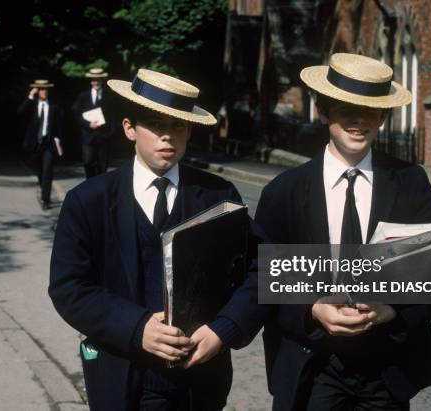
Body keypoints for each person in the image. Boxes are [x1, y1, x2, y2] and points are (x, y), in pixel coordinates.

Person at [49, 68, 266, 410]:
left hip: (200, 382)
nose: (167, 137)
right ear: (129, 128)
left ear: (189, 130)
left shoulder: (217, 195)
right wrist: (136, 328)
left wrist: (224, 329)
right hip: (122, 376)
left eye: (177, 125)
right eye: (155, 124)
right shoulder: (89, 201)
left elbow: (260, 270)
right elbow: (69, 287)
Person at [255, 53, 431, 410]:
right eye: (346, 107)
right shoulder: (283, 191)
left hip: (387, 370)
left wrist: (394, 312)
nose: (359, 119)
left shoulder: (410, 183)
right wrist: (312, 309)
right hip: (312, 366)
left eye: (371, 110)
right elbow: (263, 277)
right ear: (323, 110)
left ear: (383, 117)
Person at [17, 79, 63, 210]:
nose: (44, 91)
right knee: (40, 171)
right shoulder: (32, 104)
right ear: (38, 91)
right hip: (35, 144)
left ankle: (45, 200)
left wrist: (59, 142)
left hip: (49, 144)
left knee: (48, 171)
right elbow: (20, 112)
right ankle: (42, 186)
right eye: (41, 89)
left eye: (46, 89)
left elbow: (59, 126)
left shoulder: (54, 106)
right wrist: (30, 96)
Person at [72, 67, 115, 179]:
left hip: (104, 137)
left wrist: (109, 133)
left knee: (102, 167)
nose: (96, 82)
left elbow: (113, 117)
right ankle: (89, 188)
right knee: (87, 162)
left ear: (102, 80)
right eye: (94, 80)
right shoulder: (83, 97)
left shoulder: (109, 97)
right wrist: (88, 124)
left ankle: (100, 193)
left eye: (98, 80)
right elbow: (76, 115)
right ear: (91, 81)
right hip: (88, 136)